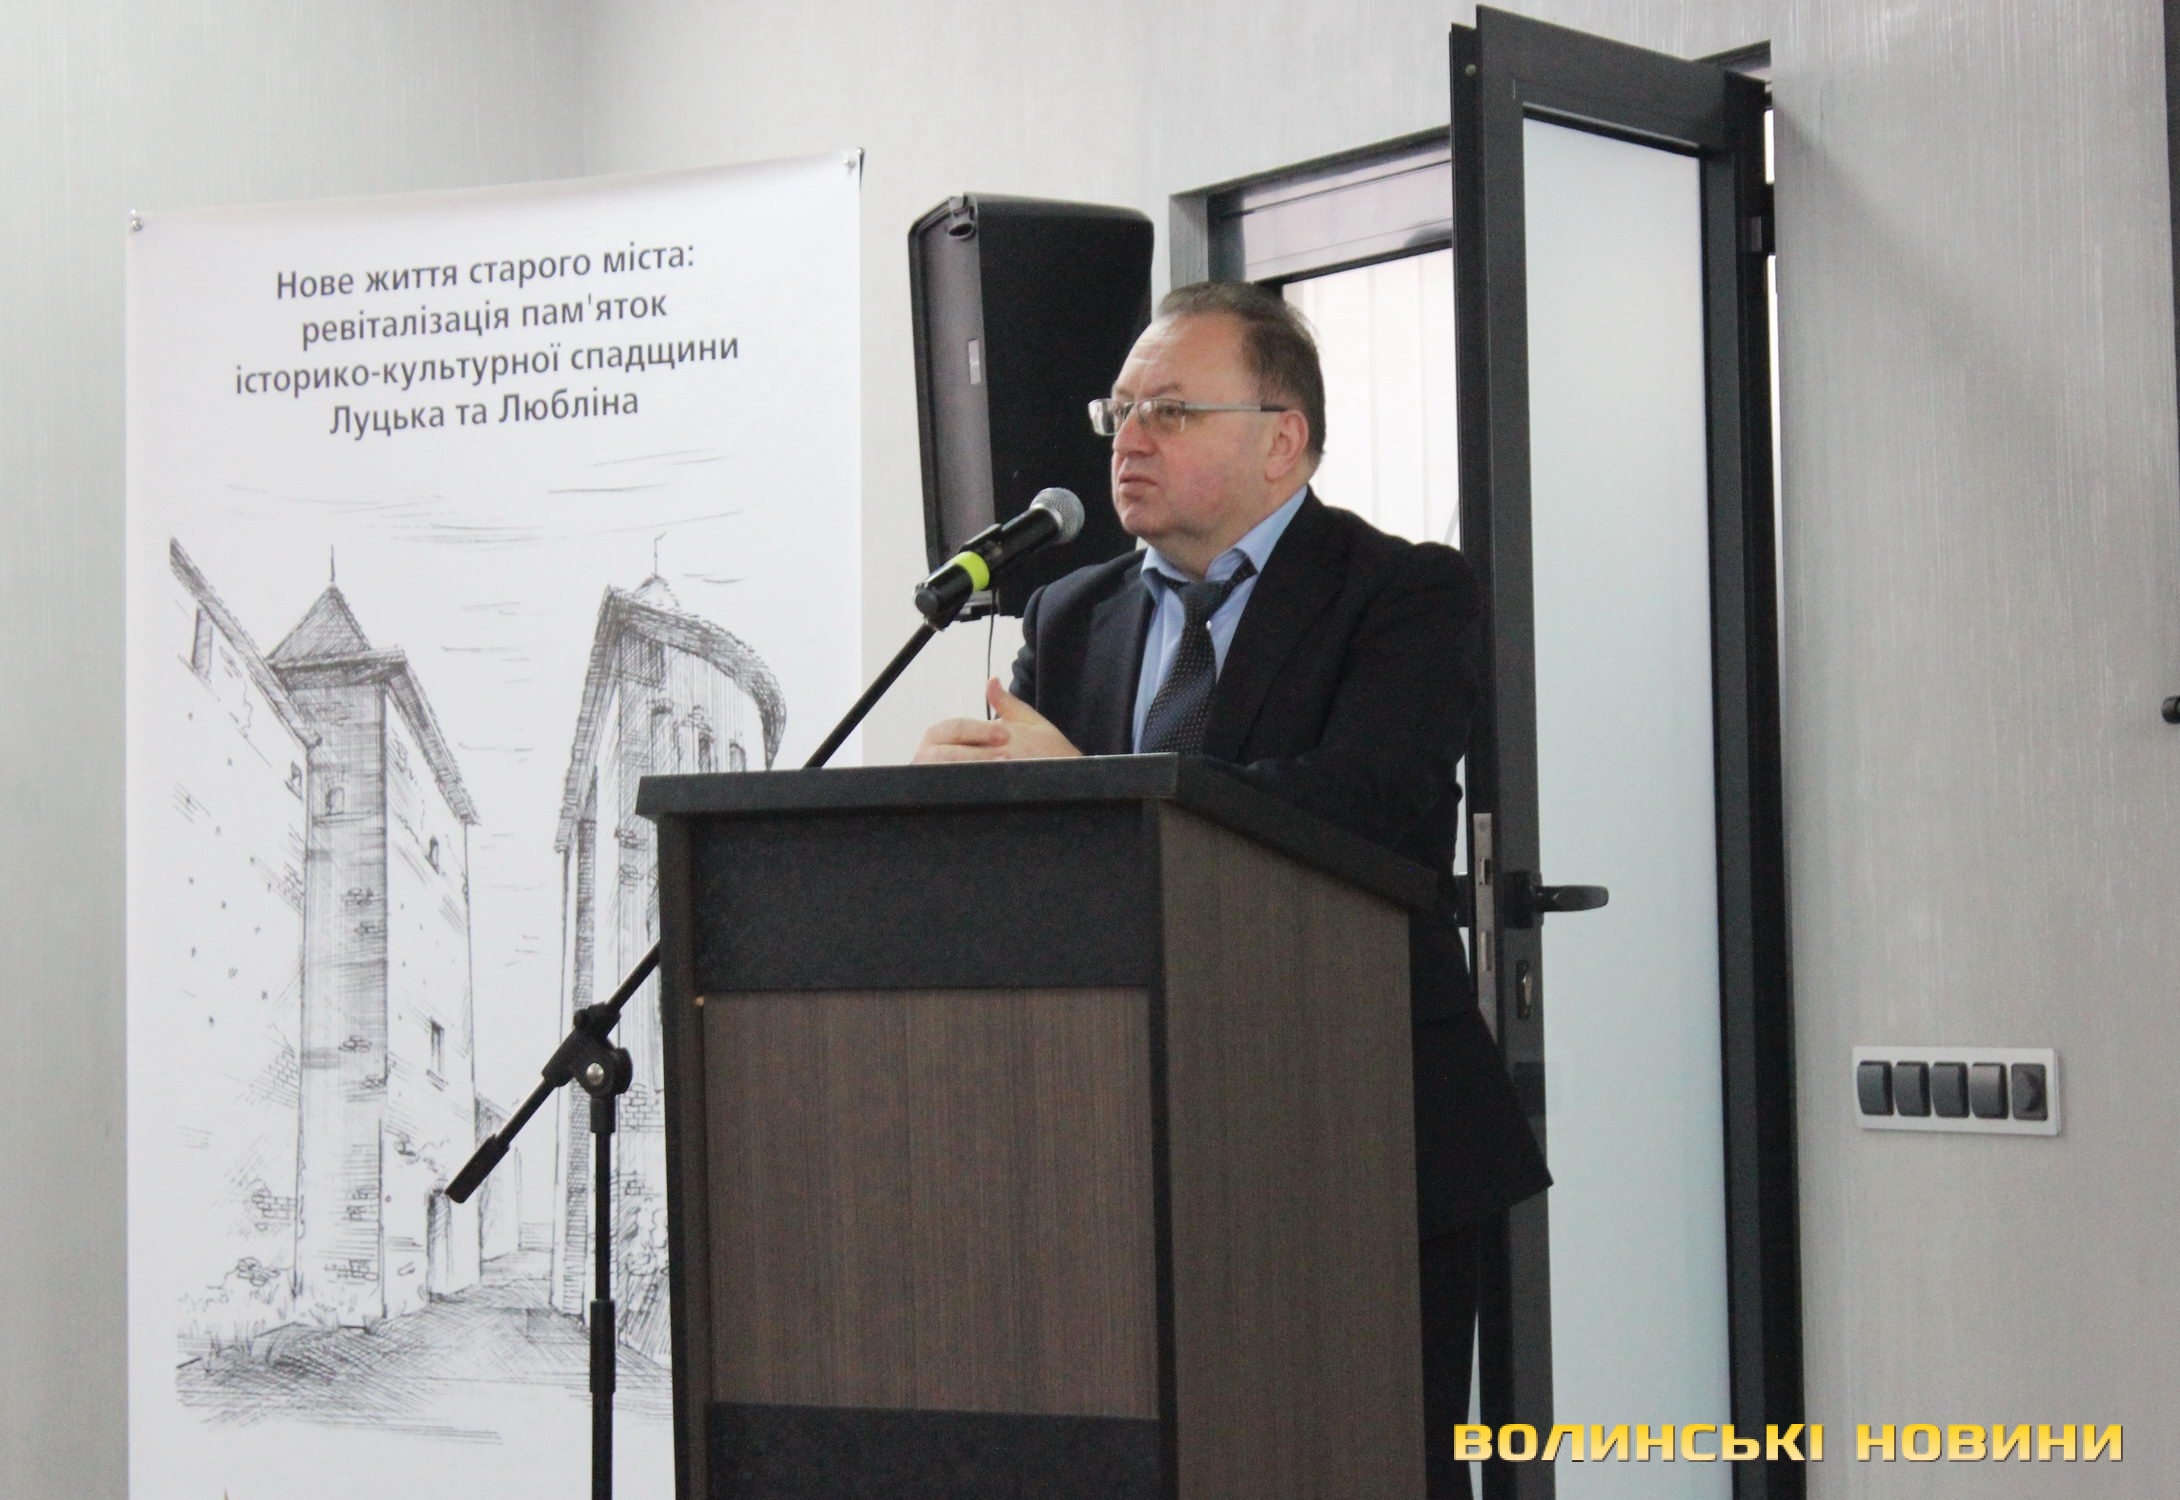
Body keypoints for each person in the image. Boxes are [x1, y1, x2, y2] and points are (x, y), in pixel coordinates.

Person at [915, 279, 1549, 1499]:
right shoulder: (1070, 611)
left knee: (1372, 1463)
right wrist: (967, 806)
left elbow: (1370, 801)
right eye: (1117, 412)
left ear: (1280, 438)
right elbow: (1049, 868)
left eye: (1168, 409)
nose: (1128, 438)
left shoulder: (1402, 591)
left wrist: (1091, 783)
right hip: (1118, 1135)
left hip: (1357, 1126)